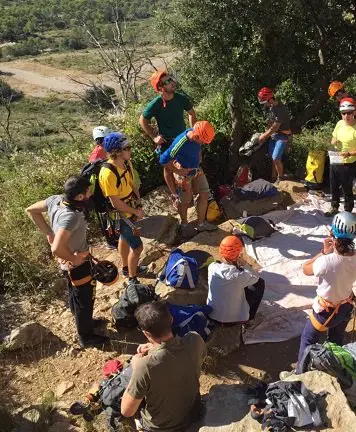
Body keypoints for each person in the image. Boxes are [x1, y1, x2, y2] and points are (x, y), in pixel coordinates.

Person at [25, 176, 109, 348]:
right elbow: (56, 248)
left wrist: (49, 233)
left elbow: (31, 210)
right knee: (84, 297)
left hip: (66, 262)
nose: (90, 193)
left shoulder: (56, 200)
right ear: (79, 197)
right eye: (88, 191)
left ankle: (84, 321)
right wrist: (75, 258)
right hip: (76, 262)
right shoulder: (70, 216)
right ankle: (86, 336)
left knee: (74, 292)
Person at [121, 301, 206, 432]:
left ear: (146, 334)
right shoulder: (195, 340)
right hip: (192, 414)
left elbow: (126, 411)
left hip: (161, 427)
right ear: (171, 319)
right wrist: (156, 348)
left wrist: (135, 366)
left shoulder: (145, 366)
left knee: (126, 376)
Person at [297, 212, 356, 365]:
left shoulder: (326, 262)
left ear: (333, 235)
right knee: (336, 339)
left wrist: (323, 252)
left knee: (308, 339)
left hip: (325, 312)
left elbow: (305, 268)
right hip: (345, 307)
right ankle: (335, 366)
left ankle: (301, 373)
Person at [98, 132, 147, 283]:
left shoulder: (126, 163)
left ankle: (126, 268)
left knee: (124, 239)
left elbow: (132, 183)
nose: (130, 150)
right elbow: (116, 203)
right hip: (119, 214)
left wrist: (138, 201)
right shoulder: (107, 174)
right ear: (117, 152)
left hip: (130, 206)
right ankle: (133, 279)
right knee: (138, 247)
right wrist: (136, 211)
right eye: (127, 148)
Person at [139, 70, 197, 190]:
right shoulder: (156, 103)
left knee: (187, 163)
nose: (172, 82)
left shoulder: (180, 98)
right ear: (161, 87)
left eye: (171, 79)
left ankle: (189, 189)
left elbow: (191, 113)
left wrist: (194, 130)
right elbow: (142, 121)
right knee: (168, 167)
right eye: (168, 81)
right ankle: (174, 194)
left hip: (183, 138)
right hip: (167, 141)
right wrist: (154, 137)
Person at [158, 120, 218, 233]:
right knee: (185, 200)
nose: (203, 143)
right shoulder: (180, 142)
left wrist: (199, 158)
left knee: (204, 194)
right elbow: (163, 160)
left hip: (196, 169)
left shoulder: (197, 134)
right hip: (183, 172)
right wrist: (179, 172)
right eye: (203, 141)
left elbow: (197, 147)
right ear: (196, 136)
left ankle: (200, 224)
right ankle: (184, 225)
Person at [207, 236, 266, 324]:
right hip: (234, 319)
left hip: (211, 314)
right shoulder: (240, 276)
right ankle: (250, 319)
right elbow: (255, 277)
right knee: (260, 284)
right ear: (238, 255)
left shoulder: (212, 267)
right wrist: (244, 264)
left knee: (238, 286)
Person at [325, 98, 356, 217]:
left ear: (354, 112)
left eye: (349, 112)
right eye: (343, 113)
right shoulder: (339, 124)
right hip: (335, 160)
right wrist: (334, 141)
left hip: (348, 163)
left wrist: (349, 153)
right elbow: (333, 138)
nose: (346, 116)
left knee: (346, 188)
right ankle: (334, 207)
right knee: (333, 185)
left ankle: (347, 212)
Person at [257, 87, 292, 184]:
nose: (264, 105)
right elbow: (270, 122)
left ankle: (280, 179)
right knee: (273, 158)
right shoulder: (272, 107)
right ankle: (273, 178)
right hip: (274, 136)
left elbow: (275, 127)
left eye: (265, 102)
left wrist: (264, 136)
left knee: (276, 158)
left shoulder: (281, 109)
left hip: (282, 136)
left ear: (270, 99)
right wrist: (265, 131)